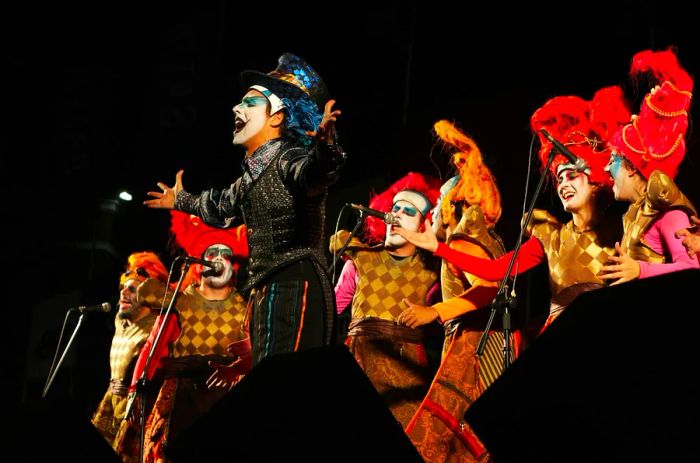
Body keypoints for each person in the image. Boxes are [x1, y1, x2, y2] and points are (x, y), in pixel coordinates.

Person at [144, 53, 345, 367]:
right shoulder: (252, 173)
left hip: (296, 282)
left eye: (250, 103)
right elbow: (220, 206)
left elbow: (316, 173)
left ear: (276, 117)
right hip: (268, 287)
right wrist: (180, 200)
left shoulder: (288, 157)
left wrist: (326, 146)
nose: (236, 108)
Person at [395, 86, 631, 331]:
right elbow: (495, 271)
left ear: (596, 182)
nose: (563, 185)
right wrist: (436, 247)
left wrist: (639, 270)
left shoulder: (623, 228)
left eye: (571, 176)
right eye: (559, 179)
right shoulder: (550, 237)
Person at [397, 121, 512, 462]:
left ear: (452, 207)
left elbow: (490, 289)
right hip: (476, 342)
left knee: (454, 439)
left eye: (437, 205)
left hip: (475, 347)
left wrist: (434, 312)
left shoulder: (463, 240)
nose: (432, 213)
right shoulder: (479, 239)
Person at [125, 211, 249, 462]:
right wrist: (135, 389)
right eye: (212, 255)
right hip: (181, 396)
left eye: (225, 255)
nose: (219, 260)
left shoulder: (245, 305)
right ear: (198, 264)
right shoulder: (180, 302)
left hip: (226, 394)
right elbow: (153, 346)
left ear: (233, 264)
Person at [330, 171, 442, 428]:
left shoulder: (434, 271)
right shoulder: (361, 260)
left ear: (424, 224)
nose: (396, 215)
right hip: (359, 360)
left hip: (406, 372)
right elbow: (329, 310)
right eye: (394, 208)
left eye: (408, 212)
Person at [600, 48, 699, 284]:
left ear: (632, 168)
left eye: (613, 160)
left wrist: (640, 270)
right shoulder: (635, 216)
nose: (605, 169)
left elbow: (692, 269)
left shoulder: (669, 213)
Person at [91, 251, 169, 463]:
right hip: (111, 400)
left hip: (135, 405)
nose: (123, 293)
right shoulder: (120, 319)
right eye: (123, 287)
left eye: (132, 290)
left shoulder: (155, 326)